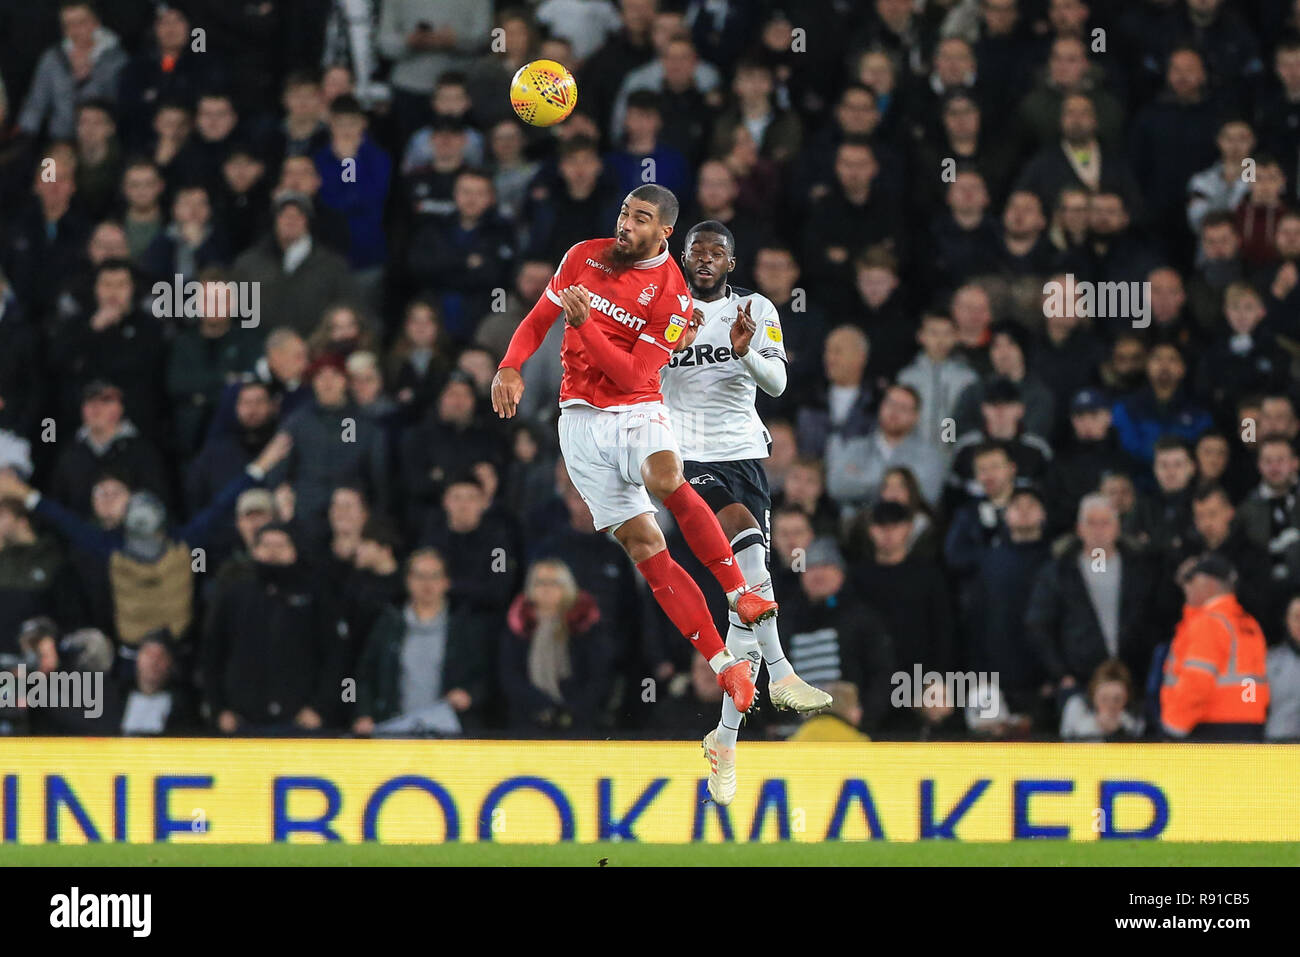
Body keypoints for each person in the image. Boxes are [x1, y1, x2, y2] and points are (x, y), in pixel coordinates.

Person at [490, 183, 778, 720]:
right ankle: (724, 665)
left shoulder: (672, 294)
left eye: (640, 218)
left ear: (664, 231)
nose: (626, 224)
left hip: (636, 408)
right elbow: (536, 320)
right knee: (647, 550)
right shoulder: (582, 255)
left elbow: (633, 375)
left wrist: (585, 327)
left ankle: (741, 593)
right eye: (624, 212)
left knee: (667, 478)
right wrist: (510, 365)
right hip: (577, 421)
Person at [660, 220, 830, 804]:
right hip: (683, 456)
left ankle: (725, 737)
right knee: (742, 536)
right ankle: (781, 671)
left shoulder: (756, 308)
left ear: (731, 264)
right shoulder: (659, 308)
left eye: (717, 253)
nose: (705, 259)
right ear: (683, 259)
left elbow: (778, 383)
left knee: (748, 588)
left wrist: (744, 352)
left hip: (745, 454)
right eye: (696, 252)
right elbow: (635, 380)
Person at [353, 548, 493, 737]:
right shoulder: (389, 623)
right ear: (408, 581)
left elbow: (487, 676)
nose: (427, 584)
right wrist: (364, 714)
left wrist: (470, 695)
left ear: (446, 582)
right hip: (395, 729)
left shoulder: (465, 627)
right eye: (419, 576)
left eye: (434, 576)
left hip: (447, 732)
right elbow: (365, 675)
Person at [1161, 554, 1269, 741]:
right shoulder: (1249, 624)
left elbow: (1197, 682)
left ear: (1208, 584)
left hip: (1212, 729)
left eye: (1191, 581)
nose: (1186, 588)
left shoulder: (1209, 623)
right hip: (1251, 726)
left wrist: (1173, 726)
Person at [500, 557, 614, 733]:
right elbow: (510, 676)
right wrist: (542, 705)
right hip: (529, 717)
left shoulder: (584, 624)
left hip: (578, 718)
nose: (546, 589)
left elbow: (598, 677)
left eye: (554, 583)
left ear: (567, 587)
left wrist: (569, 710)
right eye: (540, 582)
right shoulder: (519, 624)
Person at [1060, 658, 1145, 740]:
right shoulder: (1076, 705)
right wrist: (1096, 725)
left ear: (1127, 698)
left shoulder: (1134, 715)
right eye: (1104, 699)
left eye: (1117, 699)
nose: (1111, 705)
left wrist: (1120, 729)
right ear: (1094, 695)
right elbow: (1066, 743)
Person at [1266, 595, 1300, 741]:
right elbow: (1249, 700)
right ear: (1287, 621)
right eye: (1297, 617)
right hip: (1278, 745)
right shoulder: (1269, 662)